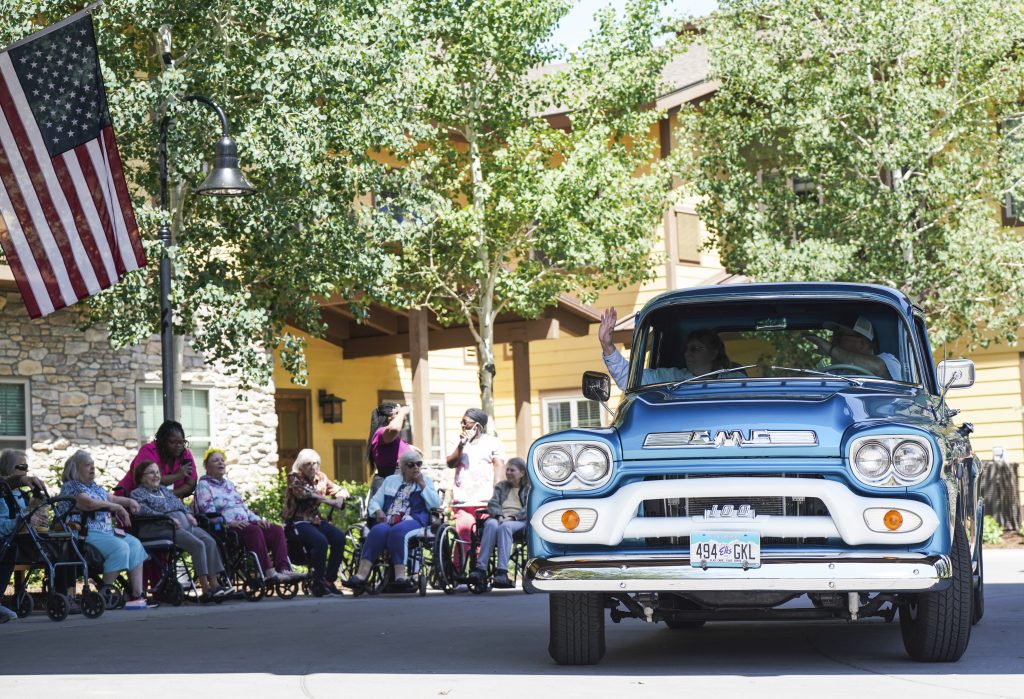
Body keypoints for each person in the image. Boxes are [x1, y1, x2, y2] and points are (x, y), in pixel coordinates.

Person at [54, 450, 155, 610]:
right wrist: (117, 508)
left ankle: (136, 595)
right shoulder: (71, 486)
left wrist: (129, 501)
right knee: (120, 548)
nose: (92, 468)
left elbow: (111, 498)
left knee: (135, 544)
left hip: (105, 531)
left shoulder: (93, 486)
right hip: (84, 532)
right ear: (75, 468)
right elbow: (88, 504)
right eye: (87, 465)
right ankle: (104, 593)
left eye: (93, 465)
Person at [129, 460, 229, 600]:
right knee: (198, 545)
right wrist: (165, 518)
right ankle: (206, 589)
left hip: (181, 524)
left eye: (158, 472)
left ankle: (215, 583)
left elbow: (179, 504)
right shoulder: (137, 494)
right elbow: (142, 511)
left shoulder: (163, 490)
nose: (156, 476)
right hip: (159, 527)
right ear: (141, 477)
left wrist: (188, 514)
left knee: (209, 541)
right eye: (152, 472)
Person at [194, 448, 296, 582]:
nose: (221, 463)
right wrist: (230, 523)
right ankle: (269, 572)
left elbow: (244, 509)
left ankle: (283, 569)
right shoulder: (204, 485)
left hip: (245, 525)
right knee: (254, 530)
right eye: (215, 460)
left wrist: (258, 520)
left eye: (222, 460)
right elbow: (210, 513)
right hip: (226, 528)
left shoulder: (229, 485)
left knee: (275, 530)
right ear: (207, 467)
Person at [346, 449, 440, 592]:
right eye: (411, 465)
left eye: (418, 464)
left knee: (398, 531)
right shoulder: (390, 481)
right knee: (377, 531)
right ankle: (361, 576)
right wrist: (378, 511)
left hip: (414, 519)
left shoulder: (425, 481)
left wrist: (422, 484)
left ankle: (400, 577)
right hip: (389, 519)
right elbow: (375, 501)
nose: (416, 468)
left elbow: (435, 504)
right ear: (402, 467)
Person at [598, 307, 745, 390]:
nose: (687, 354)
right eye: (686, 349)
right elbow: (629, 380)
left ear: (713, 353)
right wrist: (607, 346)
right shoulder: (673, 378)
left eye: (695, 349)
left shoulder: (736, 380)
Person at [282, 448, 348, 595]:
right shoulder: (294, 477)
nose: (313, 467)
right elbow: (304, 493)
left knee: (339, 537)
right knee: (321, 541)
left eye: (316, 463)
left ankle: (329, 580)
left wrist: (340, 498)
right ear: (300, 465)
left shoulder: (321, 477)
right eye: (308, 464)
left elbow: (340, 489)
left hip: (315, 520)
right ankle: (317, 582)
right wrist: (329, 501)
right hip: (298, 521)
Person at [445, 408, 505, 567]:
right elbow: (451, 463)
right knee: (463, 537)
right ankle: (458, 573)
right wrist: (461, 445)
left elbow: (499, 466)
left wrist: (497, 495)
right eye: (462, 423)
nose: (462, 426)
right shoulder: (456, 441)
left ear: (477, 425)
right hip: (463, 500)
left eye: (465, 423)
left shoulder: (493, 442)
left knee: (482, 538)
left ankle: (479, 572)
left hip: (485, 499)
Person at [0, 449, 48, 622]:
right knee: (9, 548)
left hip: (22, 538)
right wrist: (22, 521)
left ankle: (61, 596)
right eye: (21, 467)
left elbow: (28, 516)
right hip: (7, 538)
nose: (26, 471)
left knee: (59, 543)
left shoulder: (22, 494)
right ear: (7, 469)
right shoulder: (2, 491)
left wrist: (37, 512)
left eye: (27, 467)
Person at [469, 457, 530, 589]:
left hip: (519, 521)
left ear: (522, 473)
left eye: (512, 470)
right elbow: (493, 503)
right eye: (507, 469)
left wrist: (513, 517)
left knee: (505, 527)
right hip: (500, 518)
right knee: (490, 524)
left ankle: (501, 572)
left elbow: (530, 507)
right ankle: (481, 569)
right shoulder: (501, 486)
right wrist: (499, 515)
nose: (508, 472)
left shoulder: (529, 488)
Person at [116, 420, 197, 499]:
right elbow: (147, 481)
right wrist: (177, 475)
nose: (178, 445)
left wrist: (167, 495)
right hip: (128, 499)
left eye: (181, 442)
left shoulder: (185, 454)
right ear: (162, 441)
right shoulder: (149, 450)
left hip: (162, 503)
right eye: (173, 442)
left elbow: (191, 484)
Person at [804, 316, 902, 380]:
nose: (833, 341)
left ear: (862, 343)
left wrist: (829, 349)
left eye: (840, 335)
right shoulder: (837, 370)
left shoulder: (888, 360)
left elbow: (877, 368)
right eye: (834, 336)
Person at [367, 402, 412, 488]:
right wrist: (402, 412)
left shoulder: (397, 441)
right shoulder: (381, 433)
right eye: (398, 414)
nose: (404, 418)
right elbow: (394, 428)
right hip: (392, 485)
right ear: (390, 418)